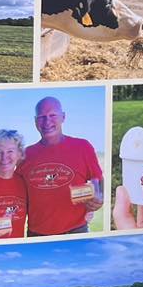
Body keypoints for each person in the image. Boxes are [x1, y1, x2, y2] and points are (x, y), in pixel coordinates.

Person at [21, 98, 104, 236]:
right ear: (36, 121)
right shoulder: (25, 155)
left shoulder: (82, 147)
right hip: (38, 234)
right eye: (42, 117)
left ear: (63, 117)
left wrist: (99, 198)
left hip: (76, 231)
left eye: (52, 115)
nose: (47, 122)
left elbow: (99, 180)